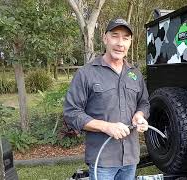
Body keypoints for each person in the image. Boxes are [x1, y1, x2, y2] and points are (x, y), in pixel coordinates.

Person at [63, 17, 150, 180]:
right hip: (102, 160)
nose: (120, 43)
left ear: (130, 42)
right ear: (105, 38)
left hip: (130, 158)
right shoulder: (86, 74)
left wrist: (140, 115)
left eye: (125, 38)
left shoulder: (135, 74)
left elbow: (144, 102)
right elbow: (71, 113)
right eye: (115, 36)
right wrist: (106, 127)